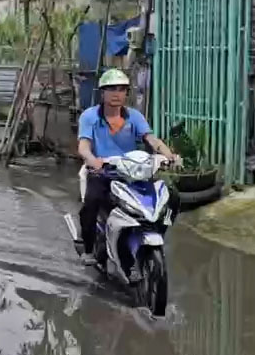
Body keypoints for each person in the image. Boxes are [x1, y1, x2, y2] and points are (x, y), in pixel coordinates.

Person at [77, 68, 180, 265]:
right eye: (111, 89)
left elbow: (152, 139)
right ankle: (89, 249)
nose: (117, 93)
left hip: (132, 172)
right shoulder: (89, 117)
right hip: (103, 172)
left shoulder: (134, 117)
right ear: (102, 92)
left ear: (126, 93)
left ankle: (157, 231)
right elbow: (83, 147)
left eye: (122, 89)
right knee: (92, 202)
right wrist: (94, 161)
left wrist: (169, 156)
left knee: (171, 196)